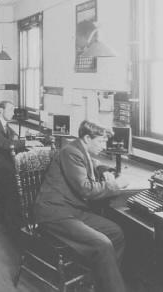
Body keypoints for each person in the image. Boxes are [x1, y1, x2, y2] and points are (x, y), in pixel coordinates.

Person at [34, 120, 129, 292]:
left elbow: (91, 164)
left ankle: (103, 283)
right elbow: (86, 189)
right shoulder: (71, 152)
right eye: (100, 141)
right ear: (87, 138)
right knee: (103, 244)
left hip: (72, 209)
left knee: (116, 233)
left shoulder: (79, 149)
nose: (104, 145)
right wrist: (116, 185)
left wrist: (105, 170)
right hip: (54, 213)